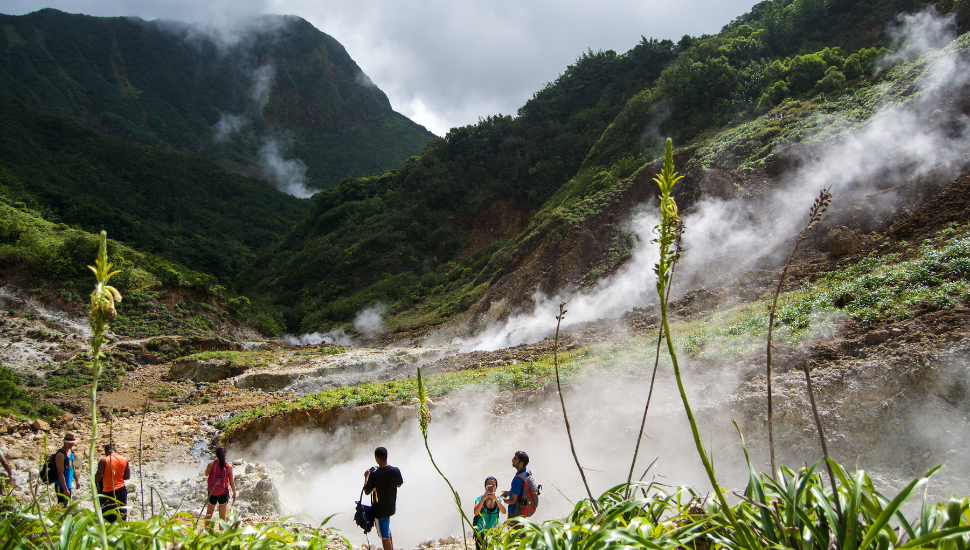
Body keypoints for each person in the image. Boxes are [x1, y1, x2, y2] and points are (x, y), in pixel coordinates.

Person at [363, 447, 403, 550]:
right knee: (386, 529)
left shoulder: (374, 475)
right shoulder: (395, 471)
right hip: (391, 506)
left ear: (377, 458)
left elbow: (367, 492)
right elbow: (399, 484)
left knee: (384, 534)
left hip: (379, 509)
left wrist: (367, 476)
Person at [95, 443, 131, 522]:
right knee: (122, 514)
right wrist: (118, 477)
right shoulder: (124, 459)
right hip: (121, 489)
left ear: (106, 451)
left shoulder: (104, 460)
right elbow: (127, 476)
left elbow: (97, 478)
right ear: (115, 450)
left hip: (108, 491)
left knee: (108, 517)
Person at [203, 447, 236, 529]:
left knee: (209, 513)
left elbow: (206, 474)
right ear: (225, 455)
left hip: (212, 491)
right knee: (222, 515)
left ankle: (206, 532)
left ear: (216, 455)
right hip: (224, 492)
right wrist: (234, 492)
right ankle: (221, 535)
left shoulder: (211, 465)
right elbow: (232, 482)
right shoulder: (229, 466)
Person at [472, 476, 506, 550]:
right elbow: (476, 512)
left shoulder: (499, 500)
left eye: (493, 485)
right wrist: (483, 499)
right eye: (488, 485)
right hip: (481, 532)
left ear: (496, 487)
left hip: (494, 533)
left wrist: (495, 499)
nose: (491, 487)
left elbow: (504, 511)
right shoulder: (479, 499)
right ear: (485, 487)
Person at [501, 451, 529, 518]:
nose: (512, 460)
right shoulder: (526, 472)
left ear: (521, 463)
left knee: (513, 528)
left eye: (515, 459)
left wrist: (501, 500)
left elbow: (513, 501)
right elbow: (521, 490)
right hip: (522, 511)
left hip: (515, 513)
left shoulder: (517, 480)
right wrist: (510, 493)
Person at [54, 432, 77, 507]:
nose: (72, 445)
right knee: (61, 504)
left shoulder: (71, 452)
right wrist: (65, 488)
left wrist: (77, 480)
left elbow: (72, 466)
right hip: (61, 485)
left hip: (68, 484)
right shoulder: (60, 455)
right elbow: (60, 473)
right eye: (69, 443)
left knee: (66, 504)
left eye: (72, 443)